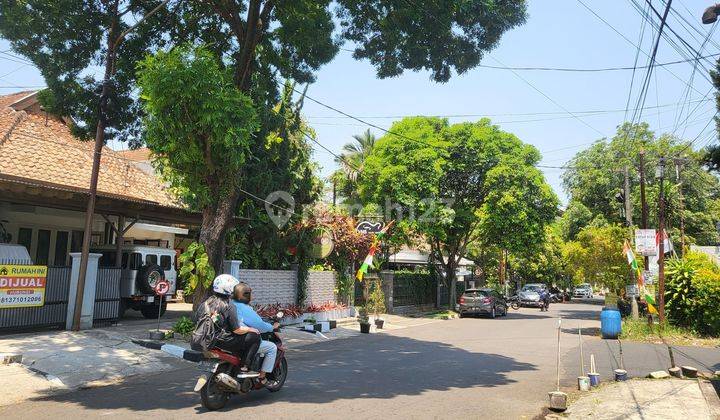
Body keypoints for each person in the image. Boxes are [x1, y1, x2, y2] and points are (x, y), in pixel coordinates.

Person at [195, 274, 261, 373]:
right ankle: (244, 367)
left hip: (205, 339)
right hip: (223, 341)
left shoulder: (205, 303)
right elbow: (237, 330)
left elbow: (196, 319)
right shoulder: (229, 305)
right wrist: (250, 329)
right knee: (255, 337)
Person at [232, 282, 279, 385]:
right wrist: (272, 327)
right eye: (250, 294)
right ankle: (262, 377)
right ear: (245, 295)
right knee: (272, 347)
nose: (252, 296)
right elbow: (259, 325)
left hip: (228, 339)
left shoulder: (229, 304)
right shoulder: (244, 308)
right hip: (243, 339)